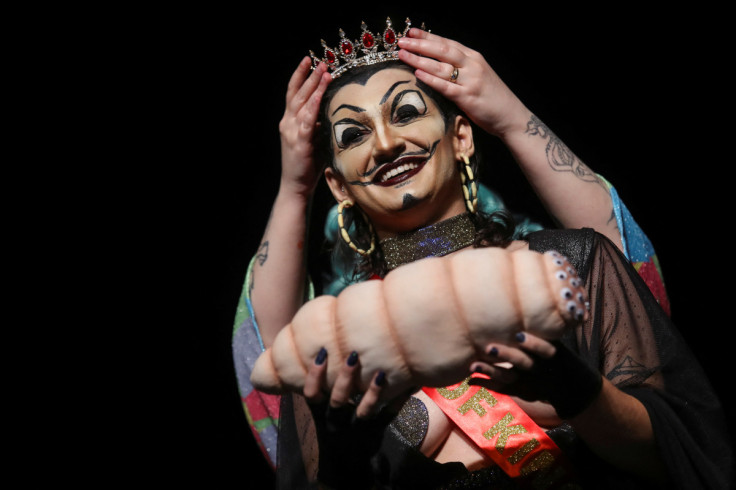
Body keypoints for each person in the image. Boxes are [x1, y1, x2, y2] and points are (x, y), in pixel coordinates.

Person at [232, 18, 731, 489]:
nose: (384, 144)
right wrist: (348, 461)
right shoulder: (334, 342)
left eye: (405, 112)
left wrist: (577, 390)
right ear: (338, 185)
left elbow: (684, 456)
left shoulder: (569, 267)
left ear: (462, 136)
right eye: (353, 135)